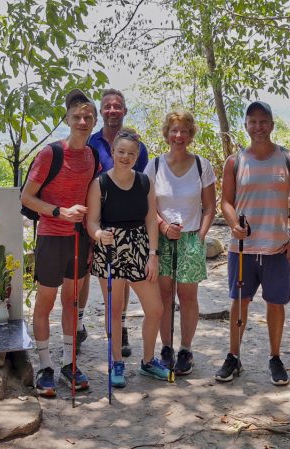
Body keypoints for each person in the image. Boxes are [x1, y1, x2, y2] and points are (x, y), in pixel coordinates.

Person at [215, 101, 290, 386]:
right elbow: (225, 201)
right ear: (246, 125)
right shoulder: (235, 161)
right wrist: (233, 224)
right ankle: (233, 356)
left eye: (263, 121)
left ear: (272, 124)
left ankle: (275, 357)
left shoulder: (289, 159)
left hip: (277, 246)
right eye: (252, 122)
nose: (258, 127)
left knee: (275, 303)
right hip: (242, 248)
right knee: (239, 303)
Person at [20, 89, 99, 398]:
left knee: (72, 302)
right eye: (77, 116)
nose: (83, 121)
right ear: (67, 118)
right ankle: (44, 366)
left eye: (88, 117)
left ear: (94, 121)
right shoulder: (51, 154)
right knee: (46, 302)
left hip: (79, 239)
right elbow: (26, 197)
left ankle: (68, 363)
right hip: (52, 237)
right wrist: (59, 212)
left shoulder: (91, 156)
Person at [86, 129, 170, 387]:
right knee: (114, 310)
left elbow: (151, 221)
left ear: (137, 157)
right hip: (110, 248)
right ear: (112, 153)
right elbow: (91, 221)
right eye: (120, 152)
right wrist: (99, 234)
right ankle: (116, 362)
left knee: (155, 309)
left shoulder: (145, 182)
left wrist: (153, 255)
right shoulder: (100, 183)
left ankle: (147, 361)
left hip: (139, 248)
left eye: (131, 154)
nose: (125, 157)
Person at [146, 111, 217, 376]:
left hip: (190, 237)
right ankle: (166, 347)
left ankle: (186, 348)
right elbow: (148, 206)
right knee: (163, 295)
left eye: (184, 131)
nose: (179, 136)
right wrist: (163, 225)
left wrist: (199, 237)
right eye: (174, 131)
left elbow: (210, 207)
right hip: (161, 238)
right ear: (167, 133)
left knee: (187, 296)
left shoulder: (202, 166)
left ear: (190, 135)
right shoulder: (154, 166)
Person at [83, 88, 149, 357]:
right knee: (88, 270)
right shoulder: (92, 143)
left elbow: (140, 181)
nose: (112, 110)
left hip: (127, 225)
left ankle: (121, 329)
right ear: (101, 111)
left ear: (124, 111)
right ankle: (77, 323)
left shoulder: (137, 146)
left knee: (123, 279)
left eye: (117, 106)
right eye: (107, 106)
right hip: (95, 217)